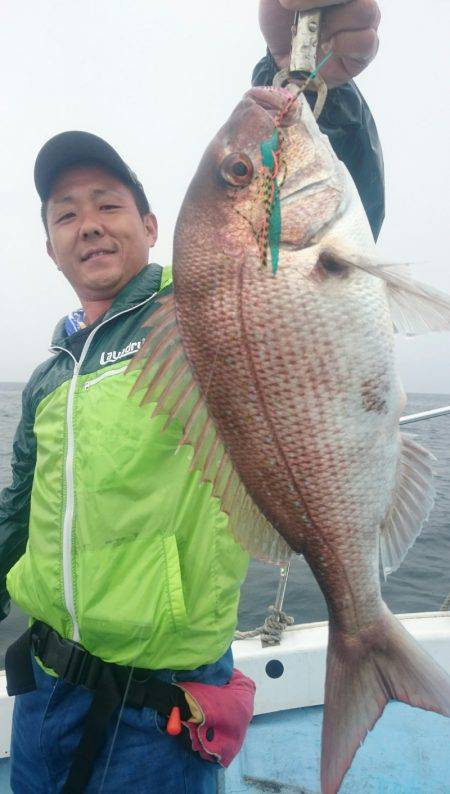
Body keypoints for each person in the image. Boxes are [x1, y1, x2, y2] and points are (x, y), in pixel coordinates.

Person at [0, 1, 381, 792]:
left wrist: (307, 86)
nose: (88, 224)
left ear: (151, 225)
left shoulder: (203, 313)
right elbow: (19, 509)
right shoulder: (48, 375)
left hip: (161, 713)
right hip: (44, 695)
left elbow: (296, 255)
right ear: (49, 247)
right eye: (66, 214)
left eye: (108, 204)